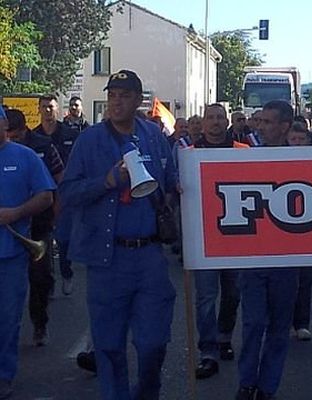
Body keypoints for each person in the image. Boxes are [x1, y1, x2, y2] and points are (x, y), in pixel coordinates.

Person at [59, 70, 178, 399]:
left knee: (153, 343)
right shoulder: (89, 140)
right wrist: (106, 182)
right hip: (106, 258)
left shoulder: (154, 136)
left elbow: (172, 181)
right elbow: (67, 193)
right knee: (109, 347)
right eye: (112, 95)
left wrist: (177, 192)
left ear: (138, 100)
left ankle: (147, 393)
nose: (116, 101)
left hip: (149, 256)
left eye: (124, 95)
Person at [236, 100, 299, 400]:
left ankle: (267, 387)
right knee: (253, 322)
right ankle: (246, 382)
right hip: (255, 254)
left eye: (268, 122)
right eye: (259, 121)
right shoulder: (246, 158)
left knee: (278, 326)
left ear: (285, 126)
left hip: (287, 257)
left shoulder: (303, 162)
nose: (261, 126)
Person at [0, 106, 55, 399]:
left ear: (5, 125)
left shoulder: (26, 157)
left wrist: (16, 213)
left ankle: (3, 375)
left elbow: (46, 196)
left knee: (7, 320)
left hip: (11, 253)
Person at [193, 104, 248, 380]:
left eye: (219, 118)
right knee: (205, 297)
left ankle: (225, 336)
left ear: (227, 122)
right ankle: (208, 351)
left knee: (233, 293)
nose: (215, 123)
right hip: (202, 237)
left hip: (236, 237)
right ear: (202, 124)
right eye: (210, 118)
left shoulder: (243, 151)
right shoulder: (187, 154)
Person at [6, 109, 64, 346]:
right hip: (11, 228)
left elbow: (59, 180)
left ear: (22, 130)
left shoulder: (43, 145)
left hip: (40, 223)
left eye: (14, 135)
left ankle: (40, 324)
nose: (10, 140)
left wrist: (57, 217)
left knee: (40, 278)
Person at [35, 94, 82, 295]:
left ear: (57, 109)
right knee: (45, 240)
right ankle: (49, 281)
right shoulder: (34, 136)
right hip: (41, 195)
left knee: (63, 239)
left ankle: (67, 272)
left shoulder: (70, 133)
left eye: (51, 107)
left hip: (66, 194)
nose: (47, 111)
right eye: (44, 107)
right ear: (38, 109)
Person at [285, 123, 312, 340]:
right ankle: (284, 321)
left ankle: (302, 323)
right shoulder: (278, 160)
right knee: (283, 281)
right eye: (293, 139)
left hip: (309, 228)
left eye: (301, 139)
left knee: (305, 279)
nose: (297, 143)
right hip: (283, 228)